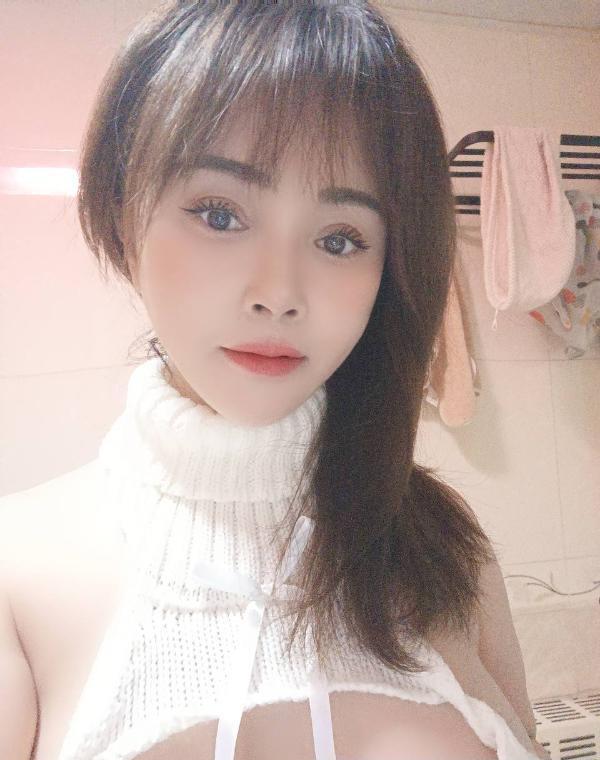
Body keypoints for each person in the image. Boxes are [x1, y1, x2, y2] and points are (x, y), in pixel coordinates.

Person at [0, 1, 551, 759]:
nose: (279, 293)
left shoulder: (443, 547)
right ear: (125, 216)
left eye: (340, 238)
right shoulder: (19, 567)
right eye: (220, 214)